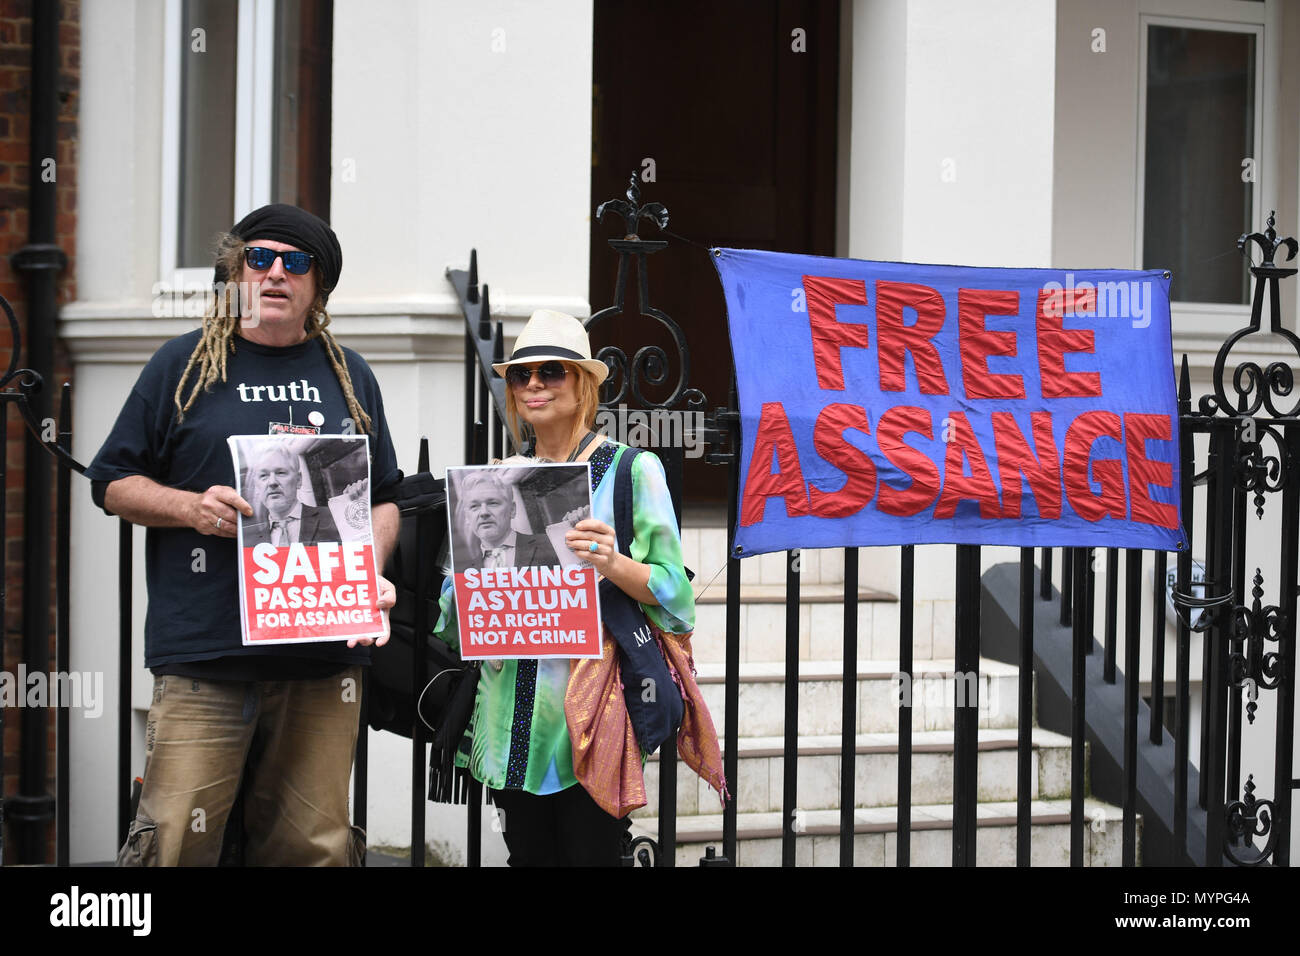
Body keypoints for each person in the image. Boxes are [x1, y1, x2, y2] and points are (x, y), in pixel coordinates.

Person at [85, 203, 402, 866]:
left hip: (321, 655)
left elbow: (384, 499)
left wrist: (366, 570)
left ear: (319, 286)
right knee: (175, 841)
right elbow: (113, 481)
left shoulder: (350, 376)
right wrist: (190, 507)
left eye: (296, 261)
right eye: (258, 258)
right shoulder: (182, 367)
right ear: (234, 274)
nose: (275, 273)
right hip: (206, 653)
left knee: (310, 848)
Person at [434, 308, 725, 866]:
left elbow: (677, 600)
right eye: (521, 375)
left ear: (584, 382)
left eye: (552, 371)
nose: (534, 385)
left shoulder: (632, 470)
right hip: (510, 718)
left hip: (593, 719)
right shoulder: (494, 482)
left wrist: (612, 562)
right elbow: (453, 621)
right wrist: (468, 576)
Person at [454, 469, 561, 572]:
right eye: (474, 506)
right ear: (467, 516)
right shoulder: (463, 573)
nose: (483, 513)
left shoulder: (551, 545)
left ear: (512, 509)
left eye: (493, 503)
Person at [241, 442, 342, 547]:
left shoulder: (333, 518)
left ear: (298, 480)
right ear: (257, 487)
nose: (272, 482)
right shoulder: (249, 541)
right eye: (263, 475)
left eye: (280, 473)